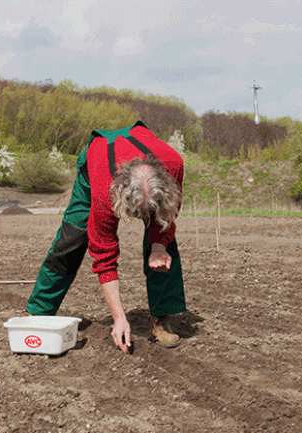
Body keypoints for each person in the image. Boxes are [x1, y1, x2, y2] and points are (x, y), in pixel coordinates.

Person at [22, 121, 186, 353]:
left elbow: (168, 215)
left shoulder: (174, 164)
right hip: (95, 167)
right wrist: (119, 318)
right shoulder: (104, 190)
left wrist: (159, 246)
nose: (142, 217)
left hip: (143, 165)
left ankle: (161, 317)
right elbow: (104, 251)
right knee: (71, 238)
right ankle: (37, 311)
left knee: (164, 244)